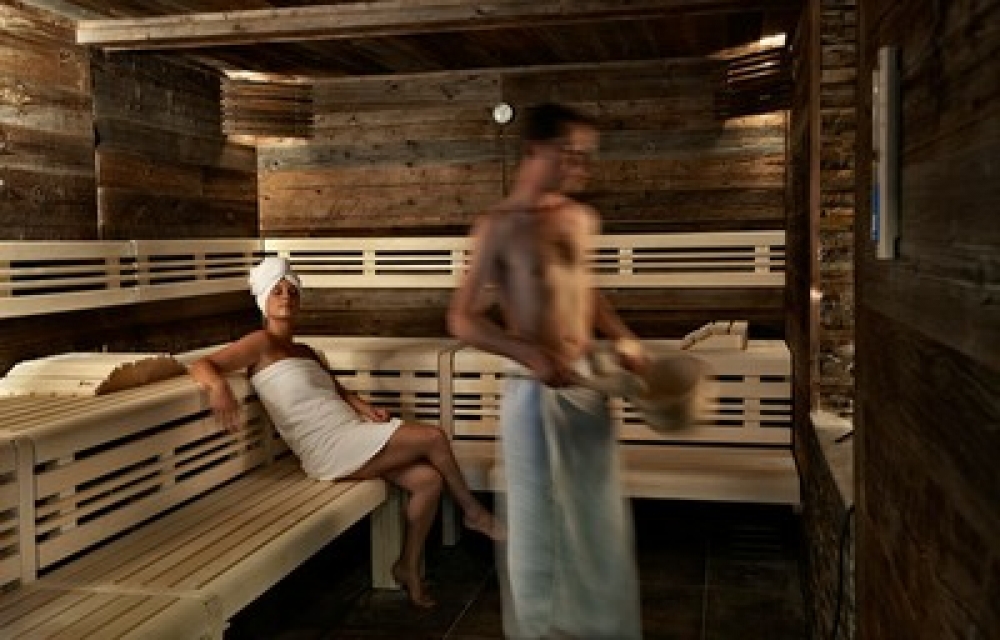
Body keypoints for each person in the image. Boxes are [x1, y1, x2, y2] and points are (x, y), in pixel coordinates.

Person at [188, 256, 501, 608]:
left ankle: (407, 567)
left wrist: (367, 410)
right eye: (277, 291)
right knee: (433, 437)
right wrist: (218, 387)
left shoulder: (305, 351)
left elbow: (335, 391)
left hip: (348, 431)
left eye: (292, 291)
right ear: (263, 300)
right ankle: (475, 513)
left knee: (428, 481)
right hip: (326, 448)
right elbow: (203, 364)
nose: (286, 297)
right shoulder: (260, 343)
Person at [448, 102, 646, 639]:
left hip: (586, 385)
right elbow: (462, 318)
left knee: (598, 522)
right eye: (571, 154)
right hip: (532, 393)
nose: (582, 166)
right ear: (535, 150)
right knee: (538, 524)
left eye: (586, 156)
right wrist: (526, 353)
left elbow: (587, 290)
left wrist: (622, 337)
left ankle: (602, 631)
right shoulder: (497, 227)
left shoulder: (581, 219)